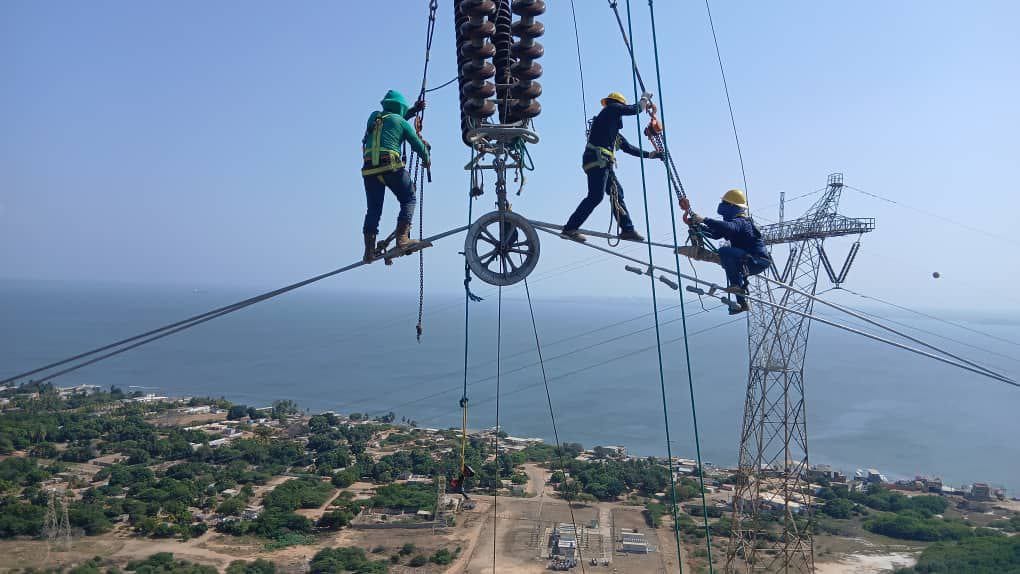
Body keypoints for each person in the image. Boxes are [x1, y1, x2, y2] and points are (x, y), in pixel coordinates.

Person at [560, 91, 660, 243]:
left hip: (602, 163)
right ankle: (570, 228)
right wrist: (644, 99)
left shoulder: (612, 131)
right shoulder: (612, 108)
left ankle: (627, 230)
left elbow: (628, 148)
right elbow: (634, 109)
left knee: (617, 193)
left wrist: (650, 155)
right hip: (598, 161)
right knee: (595, 196)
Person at [361, 90, 430, 263]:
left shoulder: (374, 117)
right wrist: (427, 159)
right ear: (401, 107)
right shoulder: (402, 123)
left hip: (369, 170)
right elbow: (417, 144)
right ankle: (402, 239)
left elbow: (391, 120)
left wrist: (413, 111)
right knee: (409, 199)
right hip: (391, 167)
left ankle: (369, 251)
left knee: (373, 210)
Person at [690, 189, 771, 314]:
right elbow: (715, 234)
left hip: (756, 260)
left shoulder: (741, 222)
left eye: (725, 203)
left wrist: (704, 219)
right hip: (751, 261)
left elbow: (727, 227)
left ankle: (737, 287)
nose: (722, 205)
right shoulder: (736, 223)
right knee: (729, 264)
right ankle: (742, 304)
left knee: (724, 252)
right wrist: (697, 226)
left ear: (732, 206)